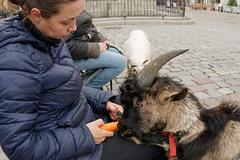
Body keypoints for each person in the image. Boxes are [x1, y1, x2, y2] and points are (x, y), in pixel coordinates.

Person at [0, 0, 167, 160]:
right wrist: (86, 136)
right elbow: (20, 147)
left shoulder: (48, 35)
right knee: (162, 143)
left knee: (149, 113)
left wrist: (104, 102)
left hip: (81, 119)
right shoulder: (15, 63)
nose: (73, 28)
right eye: (67, 21)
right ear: (37, 15)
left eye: (76, 18)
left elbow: (66, 86)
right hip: (71, 147)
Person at [64, 10, 127, 89]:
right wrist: (96, 47)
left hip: (84, 50)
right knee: (120, 62)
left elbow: (90, 30)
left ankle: (86, 80)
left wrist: (102, 39)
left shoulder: (76, 8)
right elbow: (66, 46)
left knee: (120, 54)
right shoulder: (66, 11)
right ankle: (87, 89)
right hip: (72, 58)